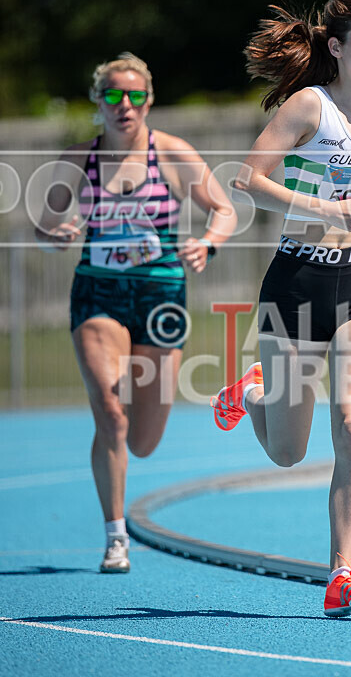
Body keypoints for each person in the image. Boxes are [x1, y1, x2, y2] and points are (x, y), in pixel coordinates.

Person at [211, 0, 351, 616]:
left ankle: (342, 574)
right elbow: (248, 178)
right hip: (297, 282)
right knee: (288, 450)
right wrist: (328, 209)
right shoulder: (312, 106)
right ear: (335, 48)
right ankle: (253, 391)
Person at [35, 52, 236, 573]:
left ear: (149, 99)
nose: (125, 105)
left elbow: (224, 209)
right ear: (98, 101)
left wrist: (208, 244)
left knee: (144, 441)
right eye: (113, 96)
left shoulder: (171, 154)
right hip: (98, 294)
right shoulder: (78, 159)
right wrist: (55, 234)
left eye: (135, 95)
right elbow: (44, 224)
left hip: (160, 298)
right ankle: (115, 535)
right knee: (109, 412)